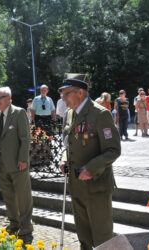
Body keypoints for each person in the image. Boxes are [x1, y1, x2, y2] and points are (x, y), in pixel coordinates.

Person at [59, 73, 121, 250]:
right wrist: (64, 160)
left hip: (96, 186)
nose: (63, 99)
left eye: (66, 94)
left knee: (102, 237)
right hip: (77, 184)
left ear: (80, 93)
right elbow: (67, 144)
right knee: (83, 235)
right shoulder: (70, 114)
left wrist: (90, 168)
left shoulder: (100, 114)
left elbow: (113, 150)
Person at [0, 87, 33, 236]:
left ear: (9, 98)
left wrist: (23, 159)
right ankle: (14, 223)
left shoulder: (19, 112)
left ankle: (27, 225)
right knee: (8, 196)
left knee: (23, 196)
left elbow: (25, 138)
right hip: (1, 162)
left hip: (17, 162)